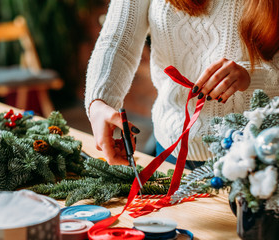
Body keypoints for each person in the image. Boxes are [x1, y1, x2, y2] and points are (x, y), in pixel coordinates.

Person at [85, 0, 279, 168]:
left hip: (259, 152)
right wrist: (100, 101)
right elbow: (117, 41)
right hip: (171, 147)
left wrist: (252, 77)